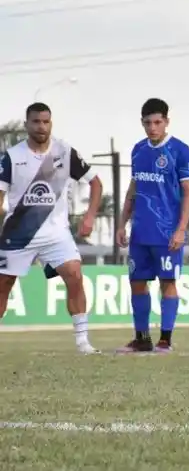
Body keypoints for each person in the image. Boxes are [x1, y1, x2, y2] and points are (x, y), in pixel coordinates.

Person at [0, 102, 102, 354]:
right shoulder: (12, 157)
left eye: (46, 121)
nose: (41, 126)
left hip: (56, 233)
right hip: (17, 233)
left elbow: (96, 183)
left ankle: (82, 342)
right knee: (3, 285)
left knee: (75, 276)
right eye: (36, 121)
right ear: (27, 125)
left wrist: (89, 217)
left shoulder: (64, 152)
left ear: (51, 123)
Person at [115, 98, 189, 353]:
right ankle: (141, 338)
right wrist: (121, 224)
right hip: (141, 231)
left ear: (166, 122)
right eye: (148, 123)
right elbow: (134, 187)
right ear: (142, 123)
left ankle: (165, 339)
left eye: (158, 122)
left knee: (167, 282)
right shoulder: (138, 150)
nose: (153, 127)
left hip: (167, 232)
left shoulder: (180, 151)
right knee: (137, 282)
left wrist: (181, 229)